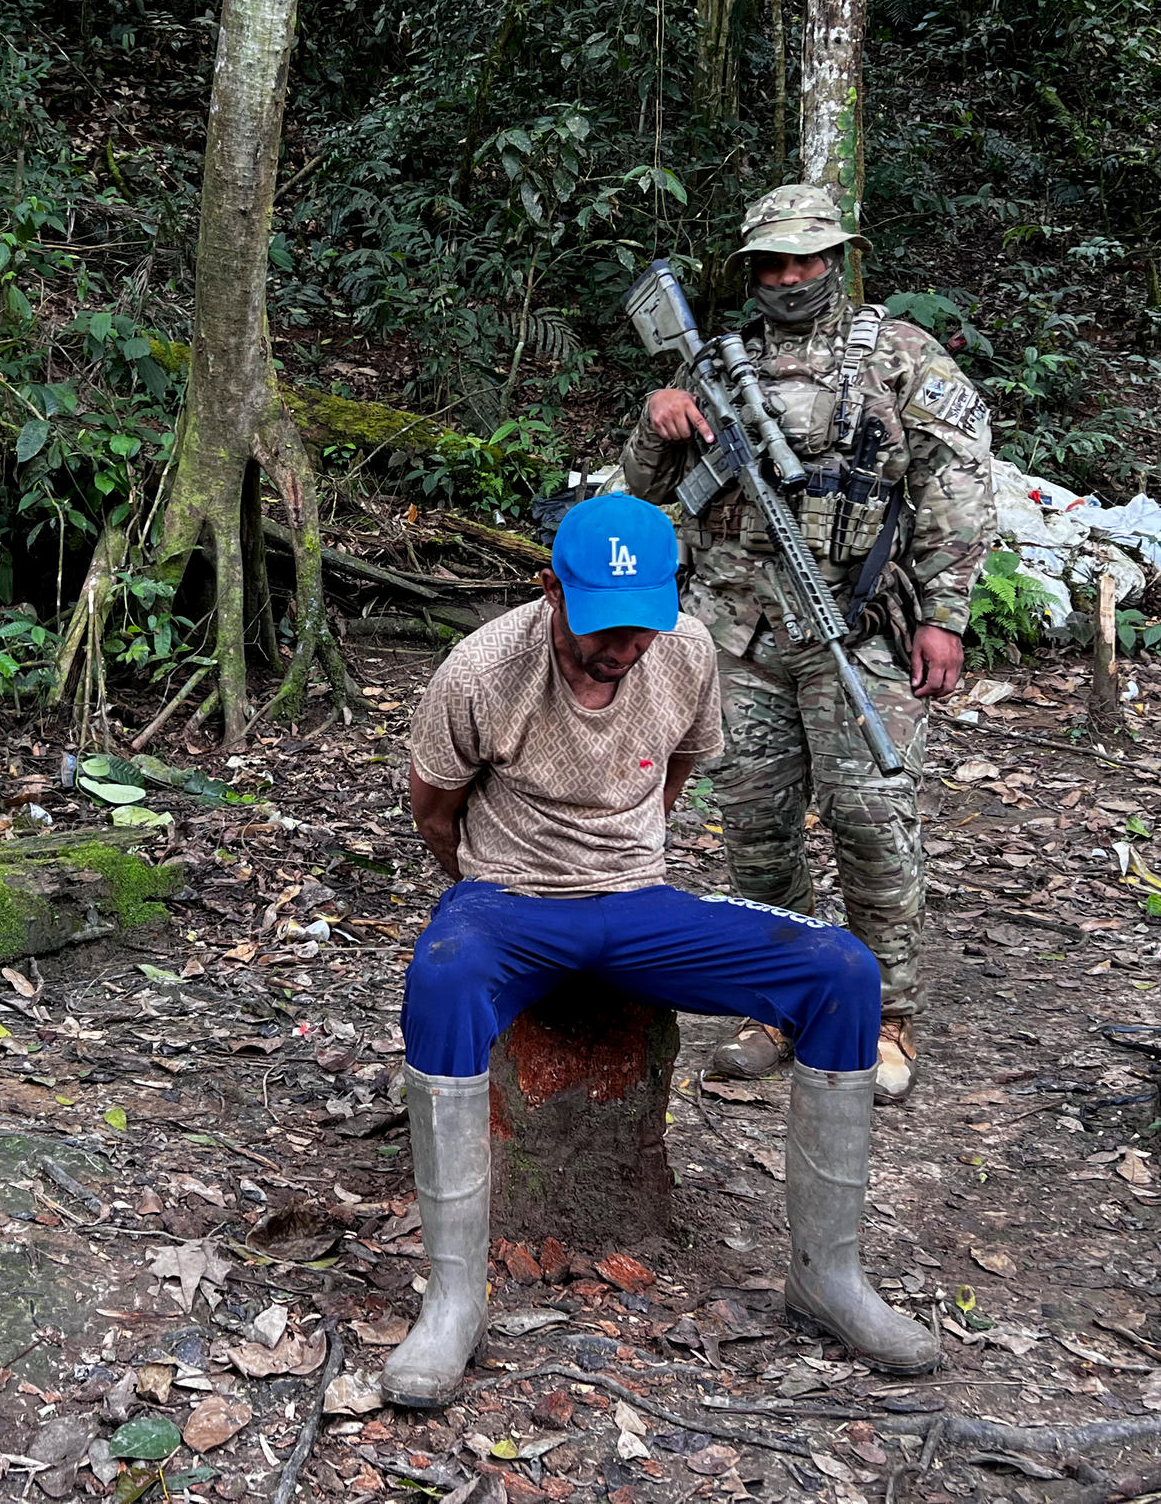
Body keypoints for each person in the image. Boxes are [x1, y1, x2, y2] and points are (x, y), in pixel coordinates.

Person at [383, 494, 939, 1407]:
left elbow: (680, 765)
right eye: (601, 627)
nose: (621, 648)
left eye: (639, 628)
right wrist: (489, 888)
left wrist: (627, 862)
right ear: (553, 592)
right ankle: (454, 1298)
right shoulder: (483, 667)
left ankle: (827, 1275)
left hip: (638, 904)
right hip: (510, 903)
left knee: (842, 969)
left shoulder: (684, 652)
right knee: (441, 977)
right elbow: (433, 809)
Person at [621, 185, 994, 1101]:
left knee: (872, 818)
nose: (792, 278)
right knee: (755, 828)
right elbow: (636, 494)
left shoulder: (901, 356)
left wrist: (946, 615)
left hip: (855, 627)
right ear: (752, 270)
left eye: (808, 259)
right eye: (774, 263)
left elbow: (959, 486)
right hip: (737, 637)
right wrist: (656, 416)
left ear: (837, 258)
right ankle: (777, 998)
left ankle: (884, 1012)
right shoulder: (713, 363)